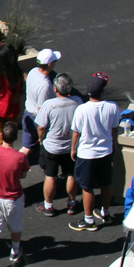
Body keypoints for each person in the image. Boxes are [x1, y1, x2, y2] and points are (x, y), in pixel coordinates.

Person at [70, 73, 122, 230]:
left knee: (87, 187)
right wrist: (114, 146)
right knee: (106, 183)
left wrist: (73, 149)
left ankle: (89, 220)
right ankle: (105, 212)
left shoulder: (81, 109)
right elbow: (114, 130)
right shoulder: (112, 107)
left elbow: (76, 133)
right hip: (106, 152)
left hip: (86, 154)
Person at [0, 121, 30, 267]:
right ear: (16, 137)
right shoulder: (19, 157)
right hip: (13, 198)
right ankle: (15, 252)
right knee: (15, 227)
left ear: (1, 135)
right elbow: (22, 174)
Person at [35, 73, 81, 217]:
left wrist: (41, 139)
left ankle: (48, 206)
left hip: (52, 147)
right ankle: (72, 203)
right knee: (71, 174)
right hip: (71, 146)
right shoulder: (77, 102)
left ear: (55, 88)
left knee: (50, 176)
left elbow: (41, 127)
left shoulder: (49, 104)